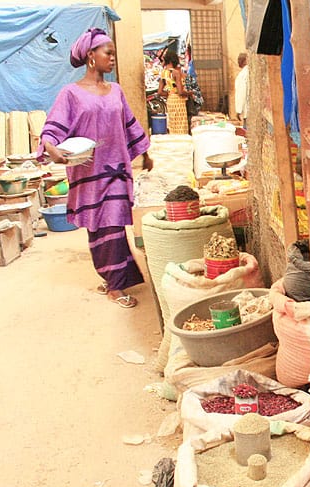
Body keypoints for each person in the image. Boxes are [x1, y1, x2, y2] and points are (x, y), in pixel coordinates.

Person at [38, 28, 153, 309]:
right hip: (87, 173)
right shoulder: (71, 94)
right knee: (98, 228)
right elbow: (54, 127)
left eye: (113, 53)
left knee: (113, 224)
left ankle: (115, 283)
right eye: (108, 53)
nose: (113, 58)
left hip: (116, 170)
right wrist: (50, 146)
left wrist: (145, 153)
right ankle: (111, 279)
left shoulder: (116, 91)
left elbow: (129, 124)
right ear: (91, 56)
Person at [157, 49, 190, 134]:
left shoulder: (163, 73)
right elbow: (180, 92)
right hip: (178, 101)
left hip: (170, 101)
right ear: (174, 60)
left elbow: (159, 92)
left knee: (173, 124)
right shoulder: (175, 73)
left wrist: (169, 93)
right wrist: (190, 93)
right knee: (181, 125)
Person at [234, 52, 249, 125]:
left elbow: (241, 94)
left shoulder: (242, 75)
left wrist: (238, 110)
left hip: (248, 111)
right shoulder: (246, 73)